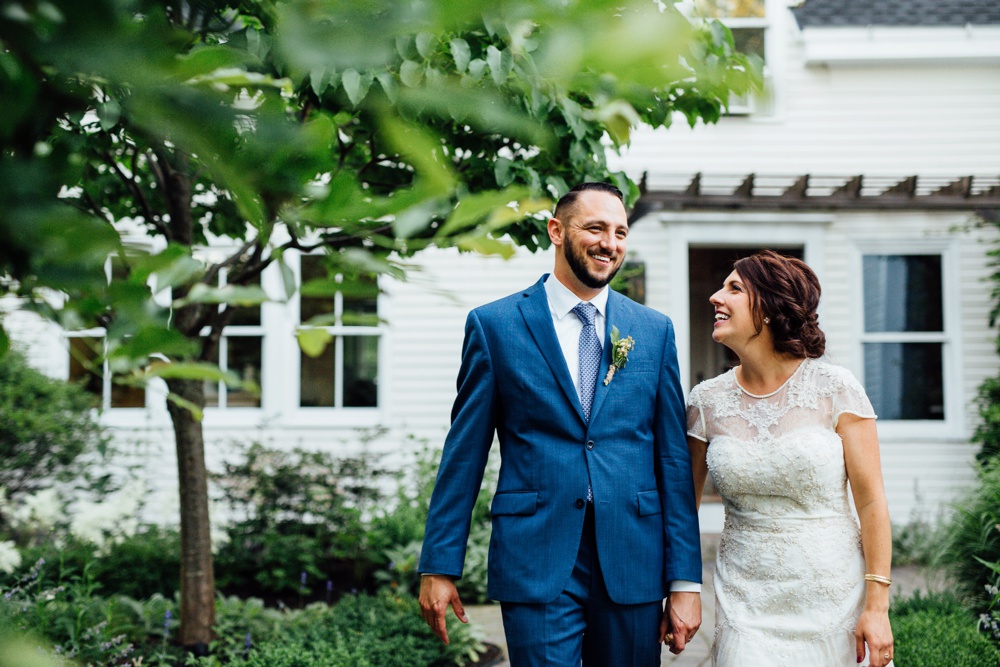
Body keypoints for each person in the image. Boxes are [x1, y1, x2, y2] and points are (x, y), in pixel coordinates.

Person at [418, 182, 703, 666]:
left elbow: (673, 461)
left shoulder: (654, 332)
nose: (608, 243)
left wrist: (685, 581)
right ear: (556, 230)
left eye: (619, 232)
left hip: (633, 554)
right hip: (537, 554)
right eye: (595, 228)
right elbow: (464, 453)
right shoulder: (495, 325)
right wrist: (439, 565)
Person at [686, 250, 894, 666]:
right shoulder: (706, 401)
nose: (714, 297)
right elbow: (682, 511)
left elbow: (871, 501)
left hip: (834, 596)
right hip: (745, 600)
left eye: (734, 288)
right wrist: (683, 588)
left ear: (769, 307)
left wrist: (877, 605)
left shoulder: (836, 387)